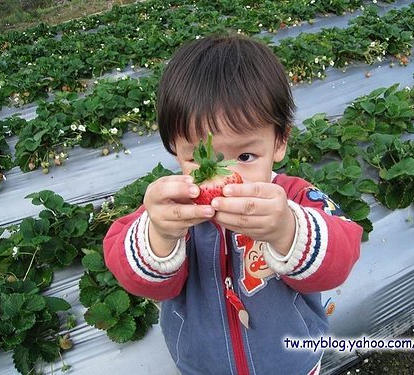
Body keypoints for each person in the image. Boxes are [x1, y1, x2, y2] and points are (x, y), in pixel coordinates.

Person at [103, 33, 363, 375]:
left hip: (292, 363)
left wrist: (287, 229)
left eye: (245, 155)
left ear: (280, 141)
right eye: (203, 158)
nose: (226, 175)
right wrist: (160, 237)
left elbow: (342, 256)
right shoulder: (174, 211)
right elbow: (136, 276)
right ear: (174, 149)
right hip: (203, 365)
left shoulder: (295, 199)